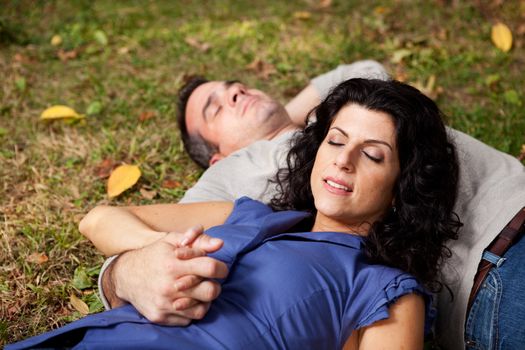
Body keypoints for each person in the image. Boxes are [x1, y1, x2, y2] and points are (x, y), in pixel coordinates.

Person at [8, 78, 461, 350]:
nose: (343, 161)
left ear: (404, 187)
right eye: (337, 141)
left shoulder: (385, 289)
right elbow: (99, 219)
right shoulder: (253, 216)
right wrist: (155, 254)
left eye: (374, 155)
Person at [100, 62, 525, 349]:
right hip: (499, 267)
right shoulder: (230, 177)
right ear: (216, 155)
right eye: (216, 108)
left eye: (237, 88)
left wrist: (319, 125)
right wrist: (126, 271)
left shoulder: (353, 113)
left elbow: (363, 72)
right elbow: (149, 245)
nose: (236, 95)